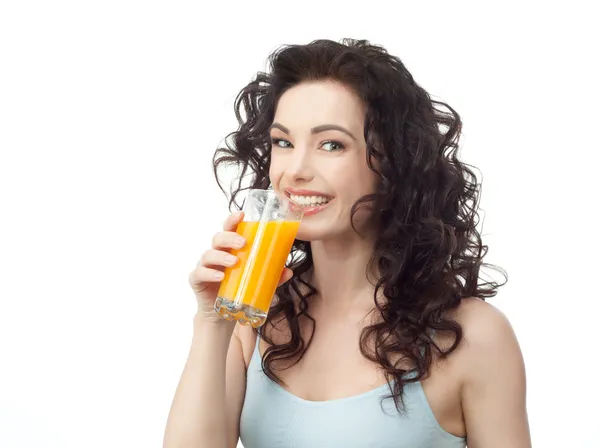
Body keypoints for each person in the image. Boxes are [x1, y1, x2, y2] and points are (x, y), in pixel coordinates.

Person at [163, 38, 531, 448]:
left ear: (391, 163)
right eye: (283, 142)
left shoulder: (472, 335)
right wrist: (213, 324)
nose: (296, 171)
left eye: (331, 144)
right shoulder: (255, 317)